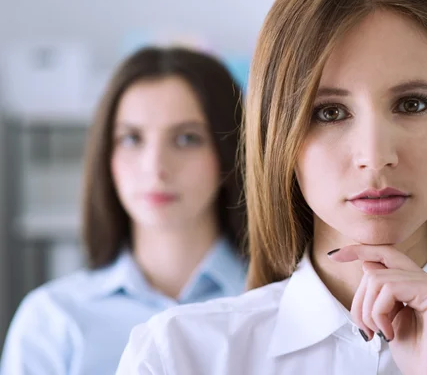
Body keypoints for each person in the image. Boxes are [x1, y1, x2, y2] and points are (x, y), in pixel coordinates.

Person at [116, 0, 427, 374]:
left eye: (412, 104)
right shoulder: (176, 355)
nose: (375, 156)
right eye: (329, 112)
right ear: (279, 137)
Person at [0, 46, 247, 375]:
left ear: (228, 155)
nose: (155, 167)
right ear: (107, 157)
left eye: (187, 138)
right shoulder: (53, 319)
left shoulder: (283, 304)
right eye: (131, 139)